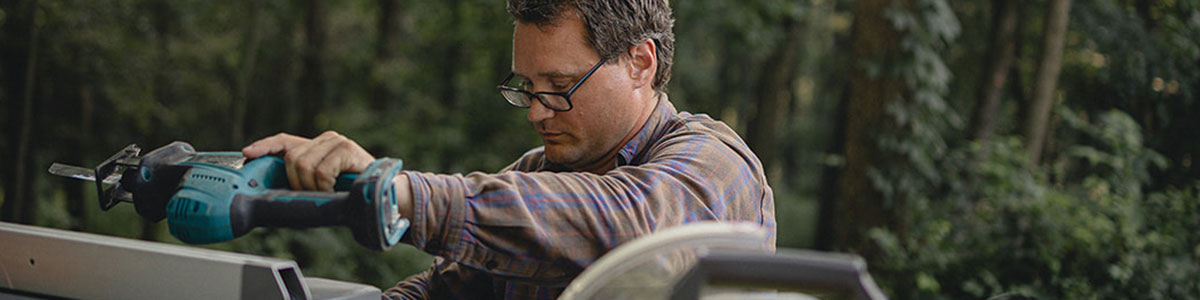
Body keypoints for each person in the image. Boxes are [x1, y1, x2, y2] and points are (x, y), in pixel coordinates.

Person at [242, 0, 775, 298]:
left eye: (560, 85)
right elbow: (446, 293)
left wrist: (398, 192)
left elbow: (628, 228)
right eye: (527, 86)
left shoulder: (715, 166)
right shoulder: (538, 173)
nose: (539, 111)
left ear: (640, 63)